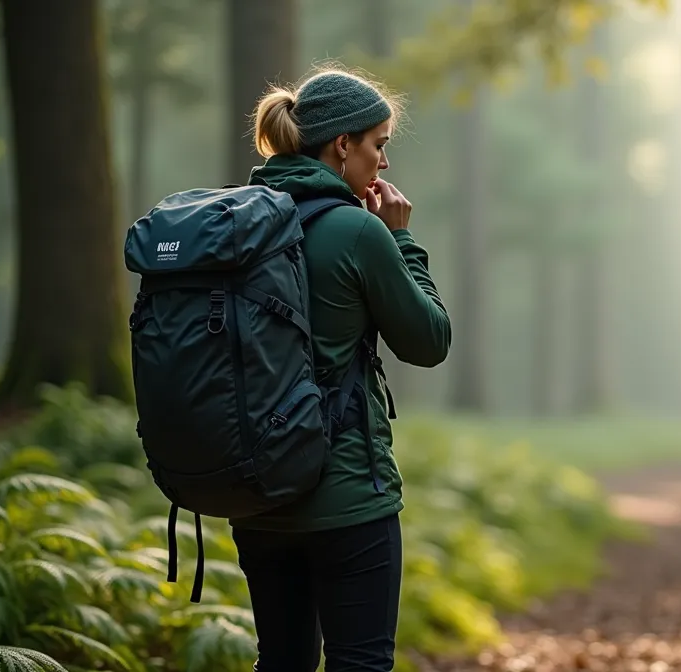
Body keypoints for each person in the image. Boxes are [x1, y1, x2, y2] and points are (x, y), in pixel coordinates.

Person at [228, 67, 451, 671]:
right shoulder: (357, 230)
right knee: (360, 662)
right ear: (342, 144)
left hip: (259, 498)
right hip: (348, 495)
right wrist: (401, 240)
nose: (382, 161)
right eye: (378, 144)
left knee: (281, 661)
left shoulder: (242, 225)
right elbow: (430, 340)